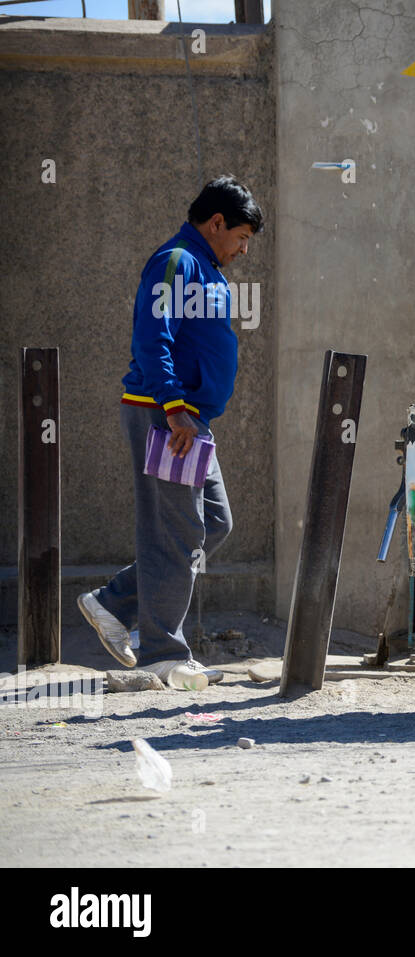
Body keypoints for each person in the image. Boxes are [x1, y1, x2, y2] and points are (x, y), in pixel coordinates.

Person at [77, 176, 264, 691]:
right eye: (242, 236)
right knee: (176, 534)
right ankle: (163, 653)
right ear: (217, 222)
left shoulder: (207, 268)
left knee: (214, 524)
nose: (244, 249)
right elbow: (150, 338)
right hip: (167, 417)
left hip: (190, 421)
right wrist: (175, 407)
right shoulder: (177, 261)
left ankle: (112, 601)